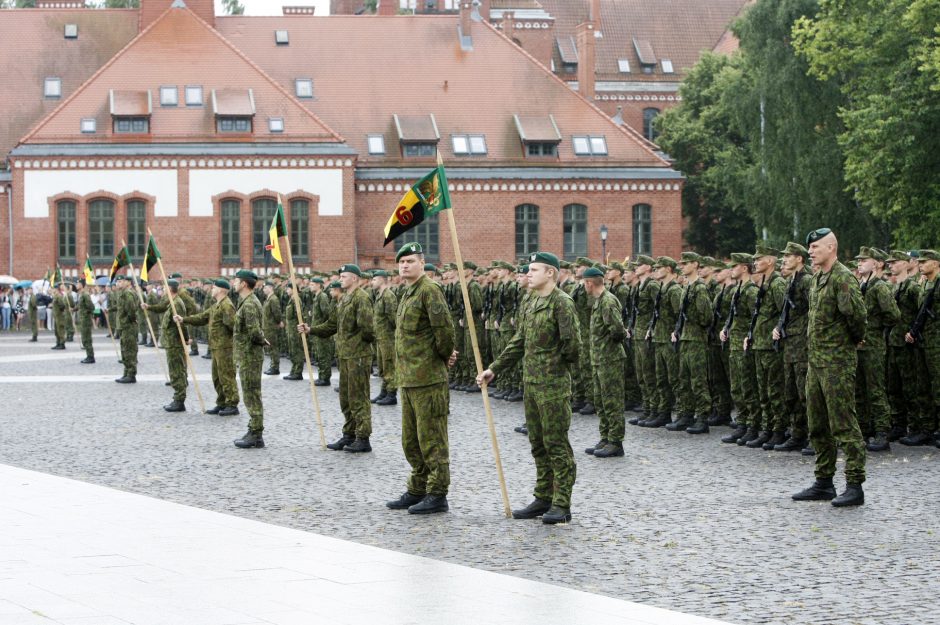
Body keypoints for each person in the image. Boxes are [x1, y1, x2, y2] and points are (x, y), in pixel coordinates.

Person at [478, 251, 580, 524]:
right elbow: (520, 340)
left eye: (535, 270)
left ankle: (561, 503)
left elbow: (573, 347)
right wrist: (494, 368)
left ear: (550, 273)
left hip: (553, 386)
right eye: (529, 269)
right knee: (537, 443)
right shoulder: (529, 300)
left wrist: (553, 367)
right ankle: (543, 497)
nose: (528, 274)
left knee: (556, 444)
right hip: (532, 384)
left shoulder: (562, 303)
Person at [793, 228, 867, 507]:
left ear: (831, 248)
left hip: (837, 363)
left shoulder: (842, 277)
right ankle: (824, 482)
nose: (810, 251)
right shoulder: (817, 279)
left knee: (844, 424)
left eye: (815, 247)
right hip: (817, 362)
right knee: (818, 424)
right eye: (809, 247)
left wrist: (848, 343)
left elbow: (857, 318)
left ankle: (854, 484)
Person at [385, 243, 457, 515]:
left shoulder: (430, 290)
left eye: (410, 261)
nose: (405, 265)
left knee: (432, 440)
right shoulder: (407, 292)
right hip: (410, 378)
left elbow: (444, 331)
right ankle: (418, 488)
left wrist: (442, 358)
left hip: (428, 377)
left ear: (422, 263)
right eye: (401, 261)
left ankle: (437, 493)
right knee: (411, 440)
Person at [301, 264, 375, 452]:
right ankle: (349, 434)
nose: (340, 279)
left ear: (355, 279)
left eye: (344, 276)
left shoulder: (361, 298)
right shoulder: (343, 300)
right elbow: (332, 325)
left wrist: (357, 344)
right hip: (344, 355)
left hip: (358, 355)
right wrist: (311, 330)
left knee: (358, 396)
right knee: (346, 397)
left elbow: (368, 330)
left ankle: (363, 437)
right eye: (340, 276)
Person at [853, 247, 900, 451]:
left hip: (872, 346)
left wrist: (875, 328)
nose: (859, 263)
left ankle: (882, 431)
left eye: (865, 260)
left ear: (878, 264)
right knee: (859, 391)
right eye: (859, 260)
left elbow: (893, 315)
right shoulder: (861, 285)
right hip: (858, 346)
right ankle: (863, 430)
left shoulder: (879, 287)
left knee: (875, 390)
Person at [581, 266, 627, 457]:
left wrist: (608, 347)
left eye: (584, 283)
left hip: (610, 359)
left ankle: (616, 442)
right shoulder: (598, 301)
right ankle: (606, 437)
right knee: (600, 400)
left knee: (612, 400)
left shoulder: (607, 301)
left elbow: (617, 330)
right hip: (599, 359)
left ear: (589, 283)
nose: (584, 287)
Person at [176, 279, 239, 416]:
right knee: (217, 377)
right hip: (216, 346)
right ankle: (221, 402)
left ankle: (232, 404)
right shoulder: (216, 305)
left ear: (222, 290)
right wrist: (184, 319)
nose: (212, 289)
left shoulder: (227, 305)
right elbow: (202, 317)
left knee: (226, 376)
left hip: (225, 347)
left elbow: (234, 327)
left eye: (214, 288)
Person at [667, 252, 713, 434]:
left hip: (696, 339)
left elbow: (706, 316)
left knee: (698, 380)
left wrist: (693, 324)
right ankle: (685, 414)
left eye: (686, 263)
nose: (682, 266)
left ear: (695, 264)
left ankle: (702, 418)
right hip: (686, 338)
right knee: (684, 378)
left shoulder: (700, 288)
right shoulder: (687, 287)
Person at [143, 279, 198, 411]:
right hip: (171, 343)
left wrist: (186, 339)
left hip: (175, 343)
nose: (162, 290)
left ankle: (179, 401)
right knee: (175, 370)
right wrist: (148, 307)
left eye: (164, 288)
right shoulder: (172, 302)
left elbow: (181, 324)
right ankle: (177, 398)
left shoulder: (177, 304)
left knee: (177, 371)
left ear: (169, 289)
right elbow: (161, 308)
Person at [231, 270, 268, 448]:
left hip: (250, 355)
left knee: (252, 394)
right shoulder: (245, 302)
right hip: (247, 354)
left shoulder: (250, 304)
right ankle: (253, 429)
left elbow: (254, 332)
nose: (233, 283)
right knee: (250, 393)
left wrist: (262, 340)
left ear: (244, 284)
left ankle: (256, 433)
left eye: (236, 280)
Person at [371, 269, 399, 406]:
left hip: (388, 338)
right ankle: (384, 391)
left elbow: (393, 319)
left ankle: (392, 394)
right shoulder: (379, 295)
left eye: (374, 279)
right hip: (380, 337)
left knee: (389, 366)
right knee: (382, 366)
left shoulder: (388, 296)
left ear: (382, 279)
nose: (372, 282)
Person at [115, 277, 139, 384]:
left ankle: (131, 374)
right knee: (125, 350)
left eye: (121, 281)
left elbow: (131, 310)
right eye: (118, 281)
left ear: (128, 283)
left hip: (128, 326)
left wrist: (129, 321)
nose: (118, 284)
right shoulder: (122, 293)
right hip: (124, 326)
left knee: (129, 350)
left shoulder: (128, 294)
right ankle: (126, 372)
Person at [261, 281, 283, 376]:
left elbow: (277, 313)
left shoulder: (273, 299)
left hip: (271, 327)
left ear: (270, 288)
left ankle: (275, 367)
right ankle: (273, 365)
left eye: (265, 288)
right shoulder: (268, 299)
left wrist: (278, 322)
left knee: (273, 347)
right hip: (267, 327)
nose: (264, 290)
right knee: (270, 347)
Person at [76, 280, 95, 364]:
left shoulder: (85, 295)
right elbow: (81, 305)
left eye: (78, 284)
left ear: (81, 285)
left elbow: (91, 306)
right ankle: (89, 355)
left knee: (87, 338)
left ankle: (90, 357)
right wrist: (74, 309)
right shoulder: (81, 294)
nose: (77, 285)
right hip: (83, 319)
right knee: (84, 338)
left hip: (86, 319)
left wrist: (87, 313)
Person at [50, 283, 70, 349]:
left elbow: (62, 305)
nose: (52, 290)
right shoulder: (55, 296)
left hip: (60, 316)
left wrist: (60, 311)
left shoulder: (59, 296)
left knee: (60, 330)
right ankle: (58, 343)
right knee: (57, 331)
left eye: (53, 289)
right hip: (56, 316)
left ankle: (62, 344)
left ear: (56, 289)